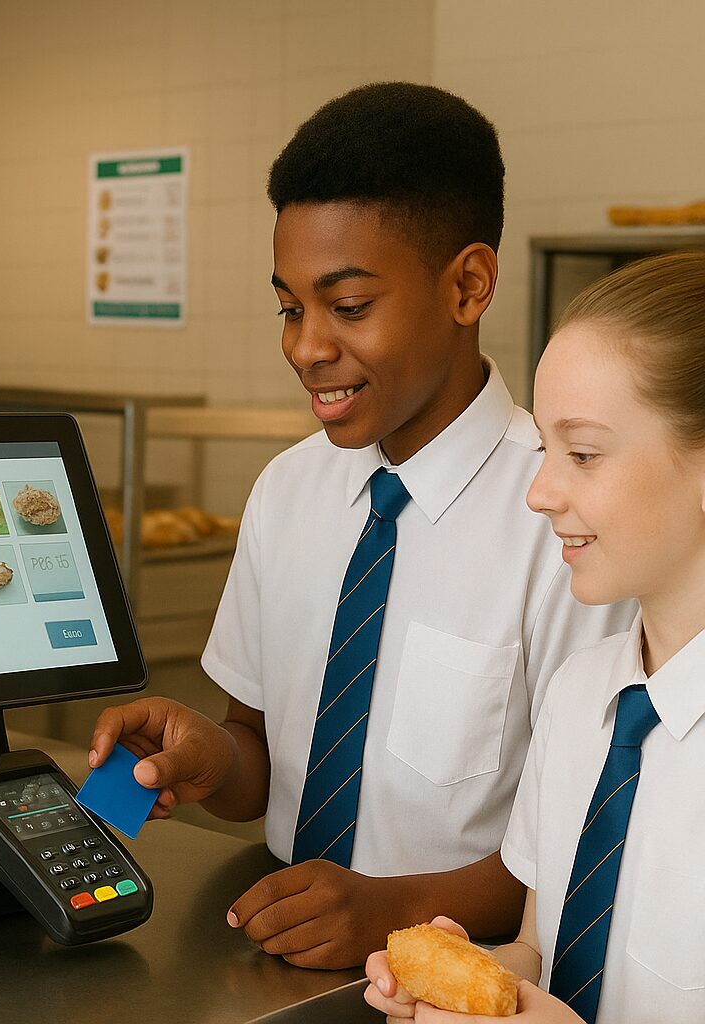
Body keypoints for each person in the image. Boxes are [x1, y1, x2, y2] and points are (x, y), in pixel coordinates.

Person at [88, 82, 632, 968]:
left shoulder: (563, 524)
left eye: (346, 307)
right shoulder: (289, 491)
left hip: (459, 979)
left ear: (467, 285)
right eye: (289, 307)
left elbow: (587, 844)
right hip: (277, 956)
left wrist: (395, 909)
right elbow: (262, 754)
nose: (305, 346)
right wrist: (212, 763)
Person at [364, 251, 705, 1022]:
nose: (540, 492)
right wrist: (467, 974)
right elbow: (541, 951)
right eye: (546, 450)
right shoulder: (583, 696)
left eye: (581, 454)